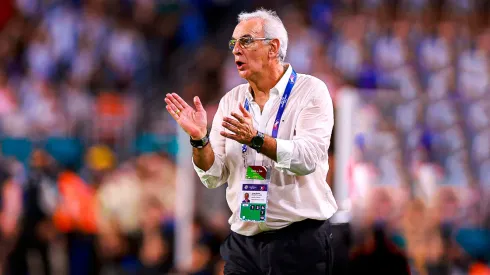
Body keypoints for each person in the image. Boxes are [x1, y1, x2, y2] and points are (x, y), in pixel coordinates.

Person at [165, 8, 337, 275]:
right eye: (233, 43)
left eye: (245, 41)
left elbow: (307, 159)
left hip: (299, 240)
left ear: (273, 47)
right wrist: (200, 140)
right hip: (244, 243)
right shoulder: (230, 101)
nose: (235, 50)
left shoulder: (311, 91)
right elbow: (213, 175)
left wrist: (256, 139)